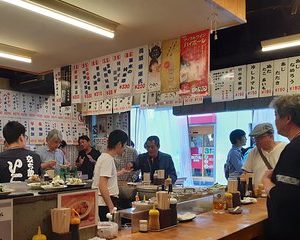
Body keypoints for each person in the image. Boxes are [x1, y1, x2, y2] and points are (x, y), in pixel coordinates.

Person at [262, 94, 300, 239]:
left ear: (288, 118)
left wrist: (266, 180)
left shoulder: (294, 149)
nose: (275, 120)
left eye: (276, 115)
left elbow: (284, 197)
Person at [92, 129, 129, 221]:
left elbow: (106, 176)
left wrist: (120, 172)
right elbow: (102, 185)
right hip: (104, 203)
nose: (124, 149)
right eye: (124, 146)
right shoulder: (108, 159)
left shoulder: (104, 157)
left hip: (102, 202)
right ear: (119, 144)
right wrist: (111, 206)